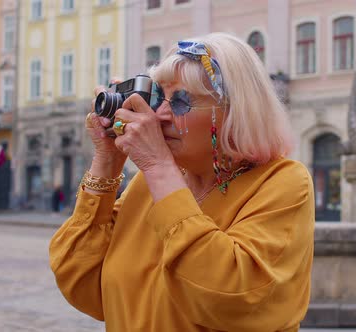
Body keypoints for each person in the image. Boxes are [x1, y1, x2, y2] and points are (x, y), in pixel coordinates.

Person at [49, 33, 315, 331]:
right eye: (158, 98)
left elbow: (230, 297)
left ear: (232, 112)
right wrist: (106, 161)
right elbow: (81, 281)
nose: (159, 114)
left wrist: (159, 166)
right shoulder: (147, 185)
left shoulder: (283, 182)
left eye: (180, 102)